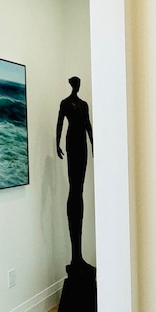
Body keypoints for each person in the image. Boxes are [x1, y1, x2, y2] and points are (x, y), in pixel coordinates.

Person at [56, 77, 93, 269]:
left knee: (79, 189)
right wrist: (58, 143)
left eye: (79, 84)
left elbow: (88, 125)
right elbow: (60, 124)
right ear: (72, 85)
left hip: (82, 145)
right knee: (74, 189)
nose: (78, 86)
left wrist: (94, 145)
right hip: (72, 144)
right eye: (76, 84)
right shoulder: (65, 103)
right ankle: (75, 256)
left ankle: (78, 256)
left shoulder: (84, 104)